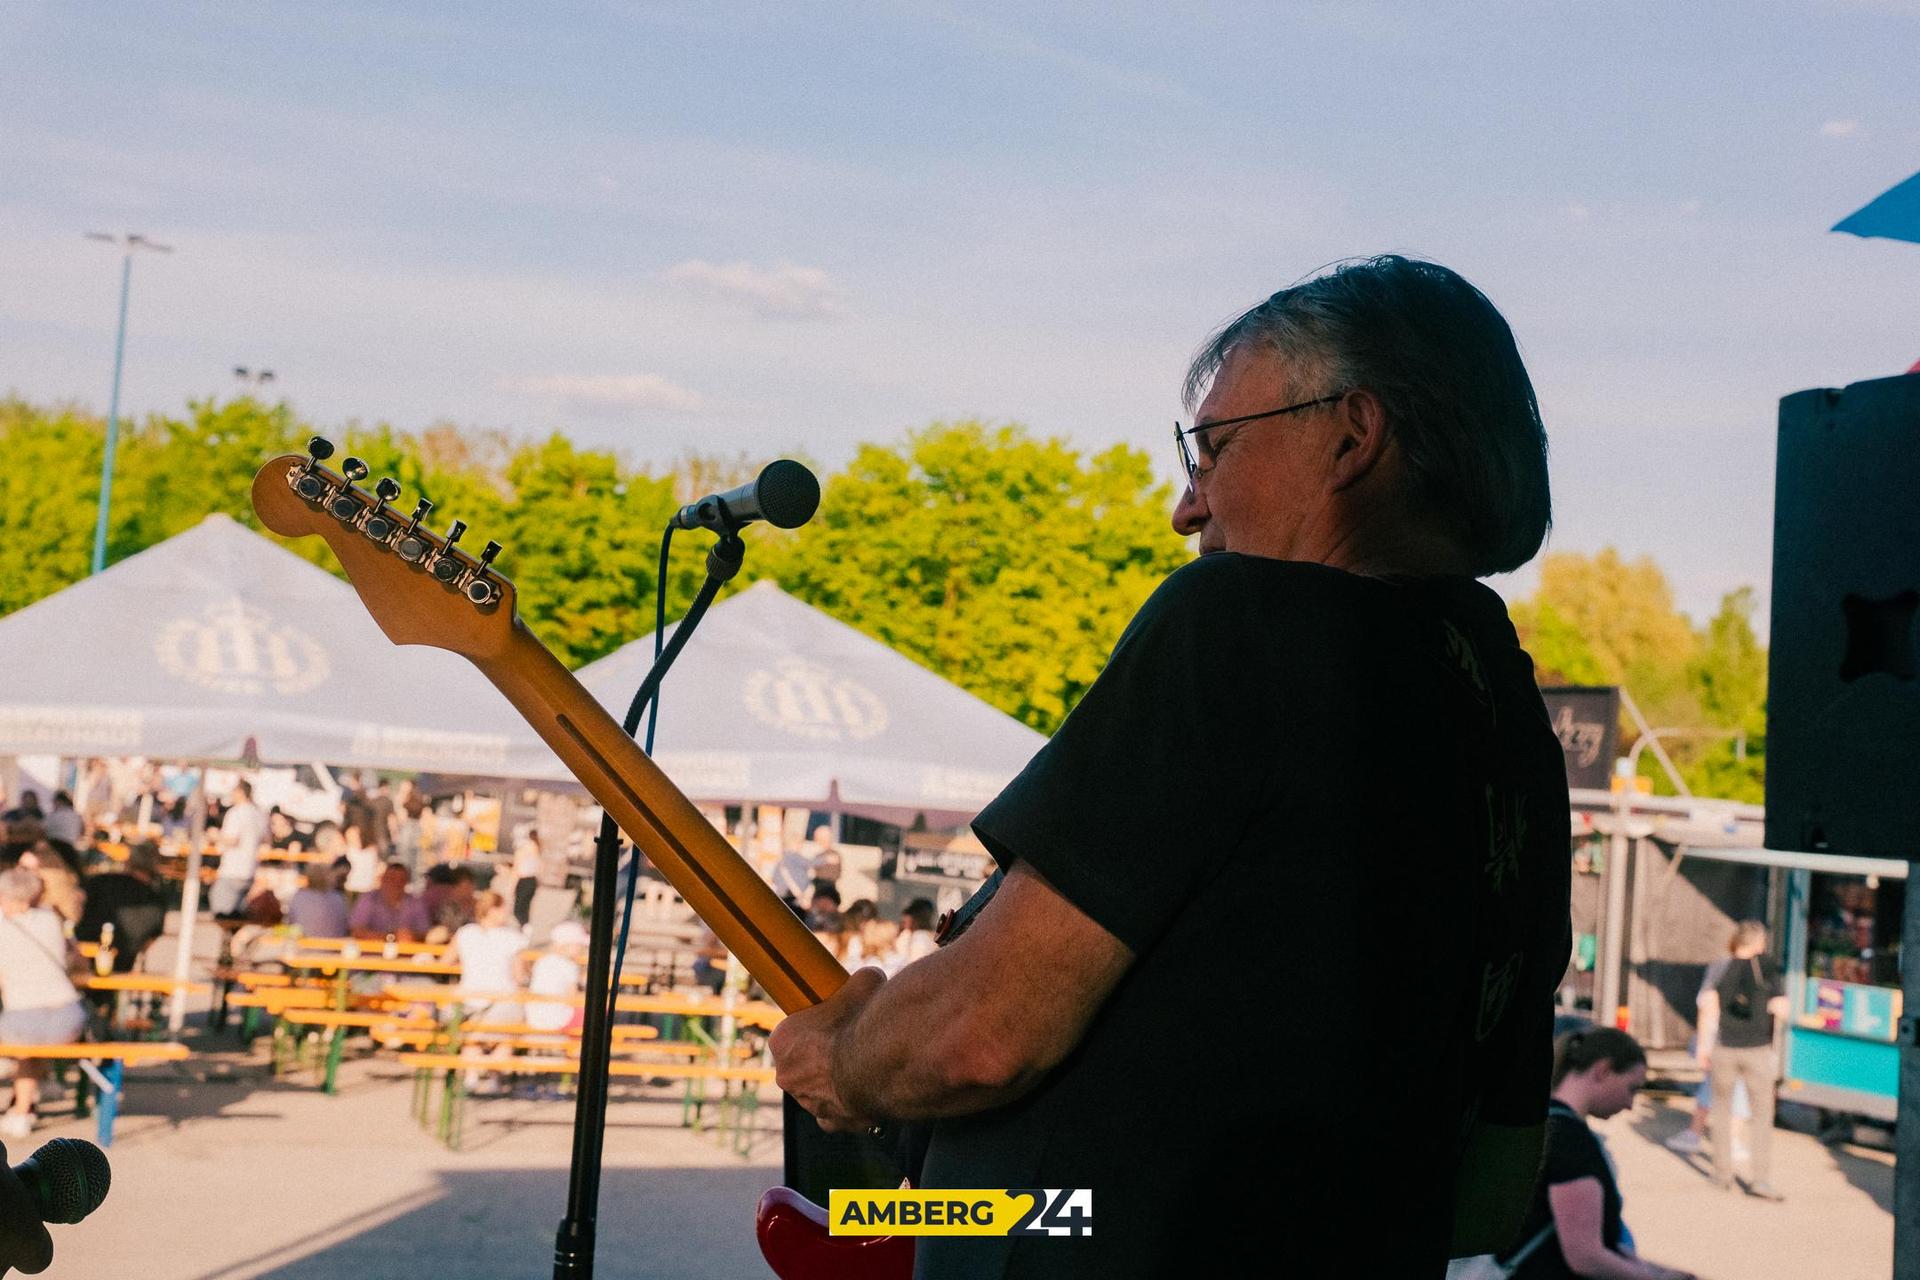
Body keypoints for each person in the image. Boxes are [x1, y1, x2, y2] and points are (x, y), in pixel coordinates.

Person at [768, 255, 1572, 1278]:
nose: (1188, 507)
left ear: (1352, 435)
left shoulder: (1243, 621)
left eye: (1214, 448)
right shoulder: (1510, 726)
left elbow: (983, 1033)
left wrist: (846, 1062)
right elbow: (1486, 1195)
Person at [1499, 1029, 1694, 1280]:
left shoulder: (1543, 1123)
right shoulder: (1571, 1141)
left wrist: (1653, 1270)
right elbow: (1585, 1255)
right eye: (1632, 1088)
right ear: (1603, 1070)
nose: (1630, 1104)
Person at [1697, 920, 1788, 1200]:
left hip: (1724, 1047)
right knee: (1761, 1115)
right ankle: (1759, 1179)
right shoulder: (1767, 967)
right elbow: (1782, 1008)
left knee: (1721, 1111)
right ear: (1759, 943)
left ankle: (1722, 1174)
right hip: (1757, 1050)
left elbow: (1708, 1007)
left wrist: (1704, 1047)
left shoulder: (1720, 965)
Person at [0, 868, 88, 1139]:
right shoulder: (51, 919)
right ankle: (32, 1096)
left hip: (24, 1018)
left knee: (25, 1045)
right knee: (34, 1045)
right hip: (69, 1016)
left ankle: (21, 1111)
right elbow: (73, 956)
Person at [75, 841, 167, 972]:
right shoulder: (157, 900)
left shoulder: (100, 882)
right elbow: (150, 940)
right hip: (122, 966)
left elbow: (77, 909)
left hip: (82, 957)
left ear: (129, 861)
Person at [449, 890, 530, 1023]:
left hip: (468, 998)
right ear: (492, 910)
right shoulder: (513, 937)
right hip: (503, 1000)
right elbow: (520, 977)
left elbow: (445, 961)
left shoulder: (465, 933)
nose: (507, 913)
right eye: (504, 909)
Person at [209, 780, 266, 917]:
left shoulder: (236, 813)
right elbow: (266, 839)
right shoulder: (259, 813)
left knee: (221, 911)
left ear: (240, 792)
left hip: (233, 869)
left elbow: (232, 840)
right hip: (251, 869)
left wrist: (215, 836)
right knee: (237, 914)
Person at [524, 919, 589, 1033]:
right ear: (566, 945)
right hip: (558, 1019)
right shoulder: (569, 965)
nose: (582, 949)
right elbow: (572, 997)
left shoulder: (542, 961)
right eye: (579, 945)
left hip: (534, 1018)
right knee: (597, 1012)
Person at [348, 863, 431, 942]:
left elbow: (425, 933)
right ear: (382, 879)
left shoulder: (415, 903)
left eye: (401, 880)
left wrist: (412, 936)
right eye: (391, 879)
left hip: (406, 951)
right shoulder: (369, 899)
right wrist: (390, 937)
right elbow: (356, 931)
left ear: (406, 882)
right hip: (372, 951)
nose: (396, 884)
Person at [286, 861, 351, 938]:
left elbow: (291, 922)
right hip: (334, 943)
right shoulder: (338, 898)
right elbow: (346, 925)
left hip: (305, 943)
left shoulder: (299, 896)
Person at [509, 828, 543, 927]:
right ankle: (525, 927)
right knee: (525, 907)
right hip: (533, 880)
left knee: (518, 909)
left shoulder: (524, 849)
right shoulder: (537, 849)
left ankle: (522, 927)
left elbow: (516, 869)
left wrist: (511, 886)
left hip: (524, 879)